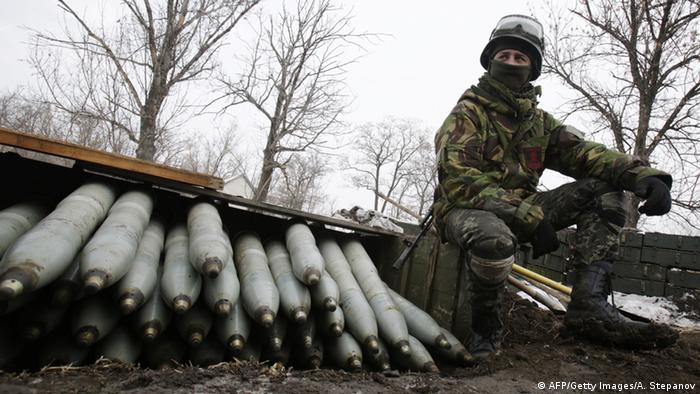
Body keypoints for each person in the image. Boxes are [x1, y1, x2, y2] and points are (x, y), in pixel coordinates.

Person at [433, 14, 678, 360]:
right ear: (490, 61)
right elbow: (459, 182)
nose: (511, 62)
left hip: (522, 208)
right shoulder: (466, 115)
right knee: (495, 239)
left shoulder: (540, 124)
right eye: (504, 55)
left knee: (604, 189)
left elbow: (584, 154)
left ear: (532, 68)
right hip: (465, 211)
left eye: (521, 57)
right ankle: (485, 332)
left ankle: (588, 308)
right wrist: (527, 216)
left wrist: (645, 176)